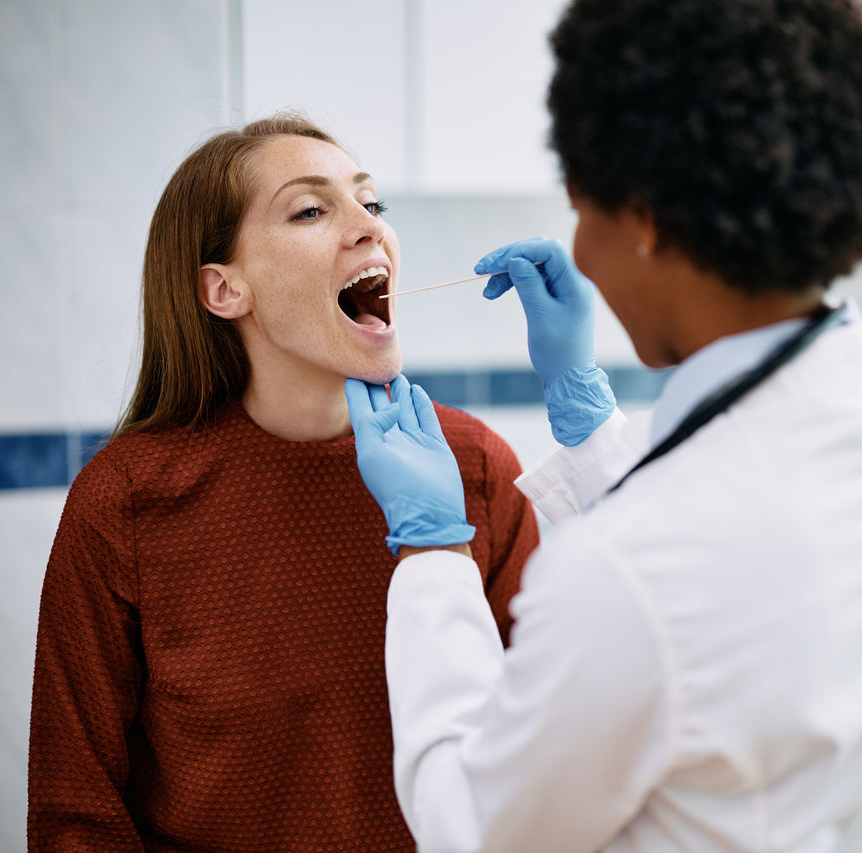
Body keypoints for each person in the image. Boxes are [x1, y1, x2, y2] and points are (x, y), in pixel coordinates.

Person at [346, 0, 862, 850]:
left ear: (642, 217)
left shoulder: (625, 576)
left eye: (583, 207)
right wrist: (589, 421)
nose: (581, 246)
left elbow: (475, 829)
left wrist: (432, 557)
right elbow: (726, 576)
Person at [27, 114, 539, 850]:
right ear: (224, 289)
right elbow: (75, 812)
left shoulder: (477, 467)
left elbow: (550, 749)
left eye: (372, 203)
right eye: (310, 209)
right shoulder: (124, 503)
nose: (369, 227)